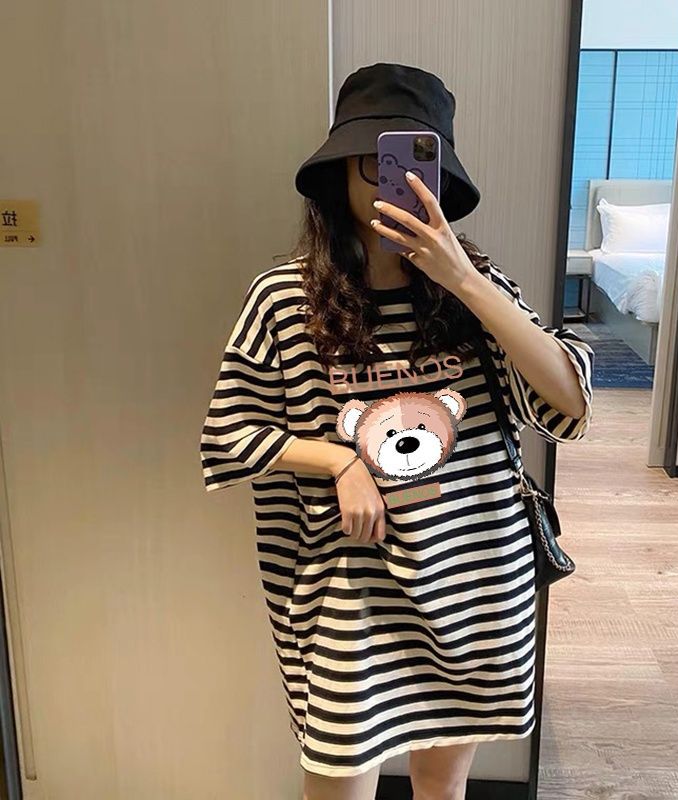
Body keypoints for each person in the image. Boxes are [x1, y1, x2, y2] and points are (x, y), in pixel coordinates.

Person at [199, 62, 594, 800]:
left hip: (474, 583)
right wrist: (339, 461)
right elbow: (229, 430)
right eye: (374, 160)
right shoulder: (284, 298)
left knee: (441, 789)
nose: (396, 183)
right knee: (339, 780)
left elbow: (568, 401)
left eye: (417, 162)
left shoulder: (477, 289)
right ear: (339, 174)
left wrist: (465, 281)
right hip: (351, 596)